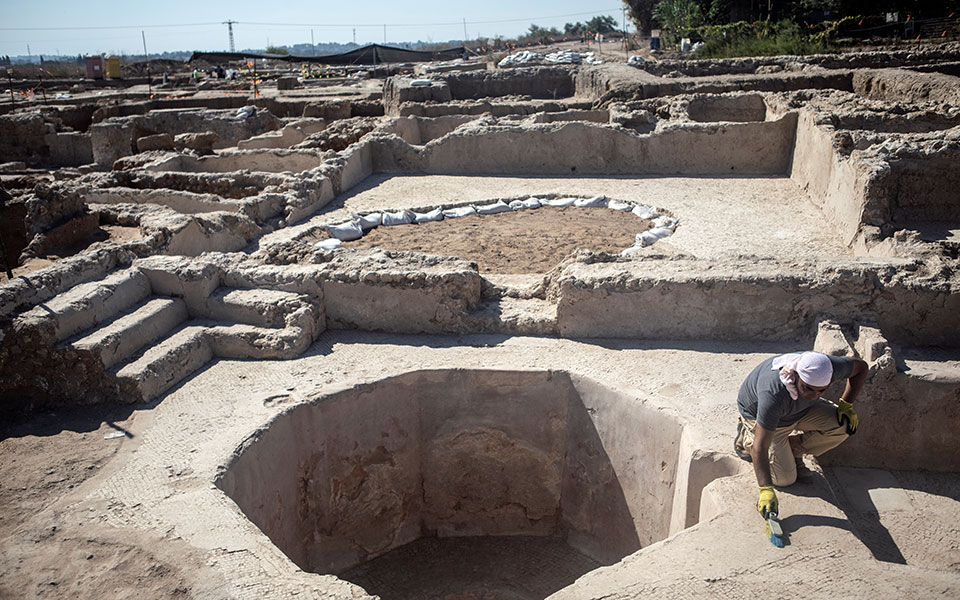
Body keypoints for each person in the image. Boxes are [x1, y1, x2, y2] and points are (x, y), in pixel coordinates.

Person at [734, 351, 867, 518]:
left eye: (821, 391)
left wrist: (846, 403)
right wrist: (766, 490)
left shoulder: (827, 368)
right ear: (795, 374)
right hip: (765, 419)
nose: (813, 395)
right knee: (785, 479)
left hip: (801, 411)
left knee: (844, 426)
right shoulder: (774, 394)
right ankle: (746, 436)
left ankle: (793, 450)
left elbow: (861, 367)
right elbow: (761, 447)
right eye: (808, 388)